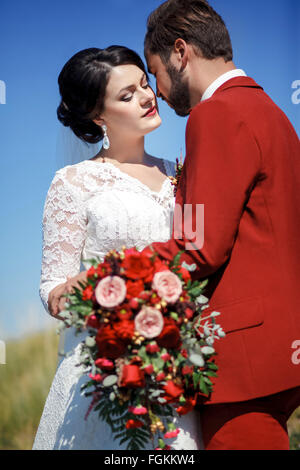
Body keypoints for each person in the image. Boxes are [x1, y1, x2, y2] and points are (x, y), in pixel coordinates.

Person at [142, 0, 300, 450]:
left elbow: (199, 247)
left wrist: (116, 270)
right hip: (278, 350)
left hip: (242, 360)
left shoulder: (216, 113)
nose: (158, 89)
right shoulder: (273, 112)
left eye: (155, 72)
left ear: (179, 52)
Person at [33, 46, 203, 450]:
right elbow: (52, 289)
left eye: (145, 84)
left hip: (173, 363)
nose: (147, 97)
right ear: (99, 116)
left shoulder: (186, 173)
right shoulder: (72, 183)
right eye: (126, 95)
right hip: (103, 366)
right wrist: (105, 286)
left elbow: (198, 256)